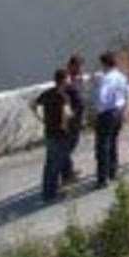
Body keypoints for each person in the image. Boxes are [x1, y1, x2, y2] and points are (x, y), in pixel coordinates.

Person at [32, 68, 74, 203]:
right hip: (61, 134)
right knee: (57, 163)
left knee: (49, 163)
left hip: (49, 131)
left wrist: (41, 119)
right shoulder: (64, 96)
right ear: (64, 80)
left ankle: (46, 192)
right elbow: (67, 114)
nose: (69, 81)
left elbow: (33, 105)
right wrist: (64, 124)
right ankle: (52, 193)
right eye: (68, 78)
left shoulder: (47, 93)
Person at [92, 50, 129, 187]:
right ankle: (113, 172)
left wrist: (97, 111)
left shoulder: (106, 79)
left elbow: (102, 98)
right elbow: (125, 95)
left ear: (104, 64)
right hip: (118, 111)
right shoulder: (121, 76)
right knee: (113, 143)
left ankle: (102, 179)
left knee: (102, 146)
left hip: (106, 113)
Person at [63, 54, 87, 181]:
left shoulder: (75, 78)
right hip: (71, 118)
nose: (81, 69)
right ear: (72, 66)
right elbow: (65, 100)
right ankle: (66, 174)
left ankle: (68, 171)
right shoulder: (66, 80)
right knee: (69, 145)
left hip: (77, 117)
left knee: (72, 143)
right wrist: (68, 117)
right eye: (79, 67)